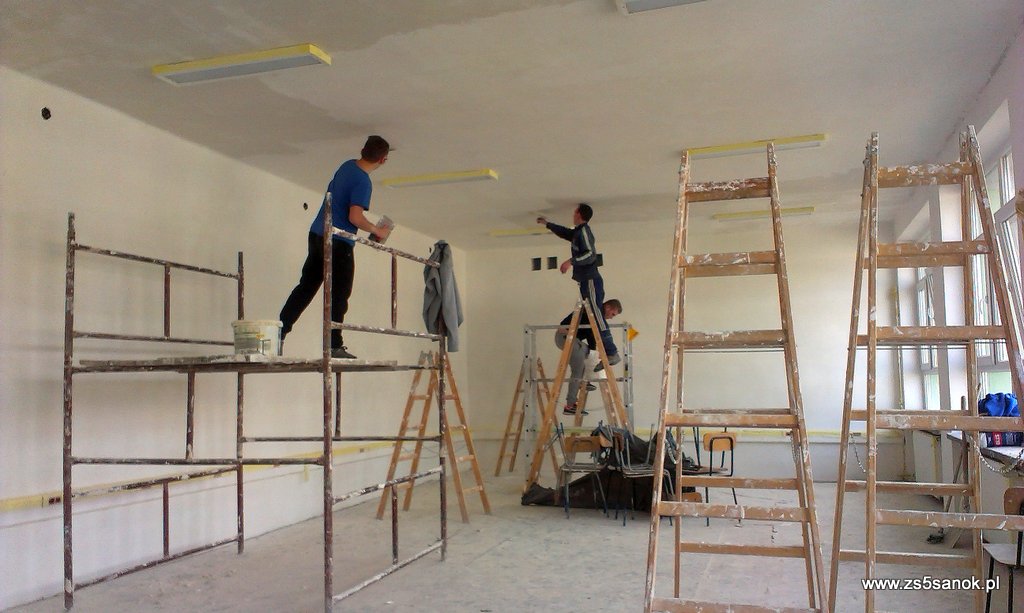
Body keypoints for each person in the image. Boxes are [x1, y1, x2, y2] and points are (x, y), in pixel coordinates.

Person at [278, 135, 393, 359]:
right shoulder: (363, 181)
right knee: (340, 293)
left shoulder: (346, 166)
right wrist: (377, 230)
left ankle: (279, 332)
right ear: (383, 160)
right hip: (338, 241)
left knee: (306, 287)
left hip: (317, 233)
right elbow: (355, 217)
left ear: (362, 150)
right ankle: (334, 345)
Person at [537, 203, 620, 370]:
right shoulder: (577, 232)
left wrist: (570, 262)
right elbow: (565, 233)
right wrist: (548, 224)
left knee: (596, 315)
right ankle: (605, 354)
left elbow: (590, 254)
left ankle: (611, 352)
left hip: (590, 280)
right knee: (592, 316)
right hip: (585, 281)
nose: (573, 214)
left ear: (578, 214)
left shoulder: (584, 231)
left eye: (574, 212)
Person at [555, 299, 622, 415]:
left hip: (572, 340)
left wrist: (595, 352)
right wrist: (597, 352)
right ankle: (570, 405)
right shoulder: (592, 314)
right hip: (565, 337)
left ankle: (582, 382)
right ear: (607, 307)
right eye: (612, 314)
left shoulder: (594, 315)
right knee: (578, 370)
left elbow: (592, 336)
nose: (611, 317)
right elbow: (590, 334)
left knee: (586, 352)